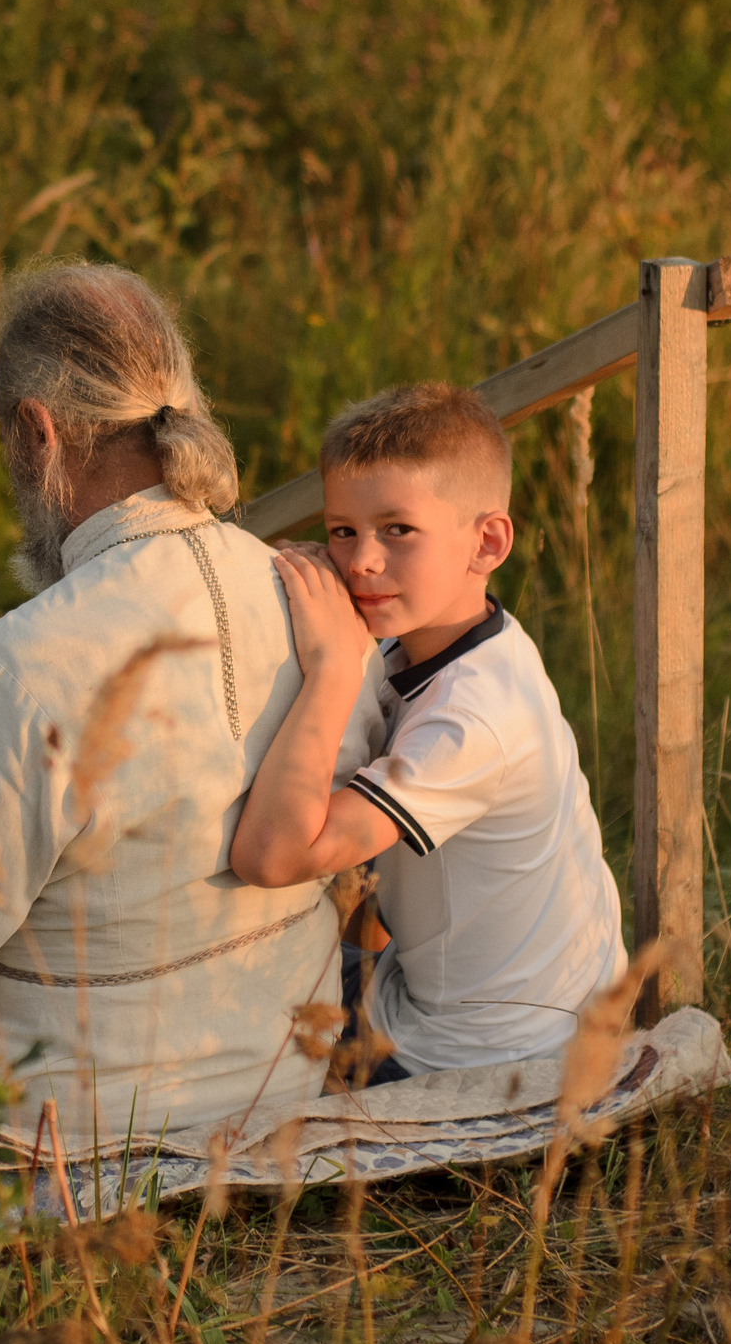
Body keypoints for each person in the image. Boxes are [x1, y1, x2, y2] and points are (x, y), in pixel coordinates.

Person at [0, 262, 388, 1147]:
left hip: (75, 1113)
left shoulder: (26, 661)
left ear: (39, 435)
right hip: (278, 1070)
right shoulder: (316, 597)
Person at [228, 382, 628, 1078]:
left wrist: (329, 669)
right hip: (532, 1007)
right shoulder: (462, 638)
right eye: (342, 530)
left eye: (398, 531)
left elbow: (269, 859)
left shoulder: (472, 721)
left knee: (214, 980)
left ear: (487, 541)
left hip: (478, 1055)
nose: (361, 563)